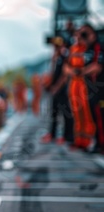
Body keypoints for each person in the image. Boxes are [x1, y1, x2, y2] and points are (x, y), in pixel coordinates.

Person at [64, 27, 96, 150]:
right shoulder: (72, 49)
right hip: (74, 83)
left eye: (81, 35)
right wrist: (73, 71)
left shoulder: (88, 49)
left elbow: (93, 65)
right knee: (76, 112)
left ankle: (88, 140)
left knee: (86, 112)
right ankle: (79, 140)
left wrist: (81, 71)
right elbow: (66, 68)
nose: (78, 37)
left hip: (85, 83)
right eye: (77, 35)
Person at [41, 37, 73, 145]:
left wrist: (56, 87)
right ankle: (53, 134)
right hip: (55, 88)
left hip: (62, 89)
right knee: (54, 112)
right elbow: (53, 72)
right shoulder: (57, 56)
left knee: (65, 112)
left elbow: (64, 75)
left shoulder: (65, 56)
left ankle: (67, 136)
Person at [79, 24, 104, 152]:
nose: (83, 38)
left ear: (93, 34)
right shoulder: (86, 49)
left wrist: (79, 71)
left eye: (85, 34)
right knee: (94, 116)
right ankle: (97, 143)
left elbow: (97, 66)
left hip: (100, 89)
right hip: (91, 89)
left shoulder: (99, 46)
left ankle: (101, 144)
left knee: (100, 116)